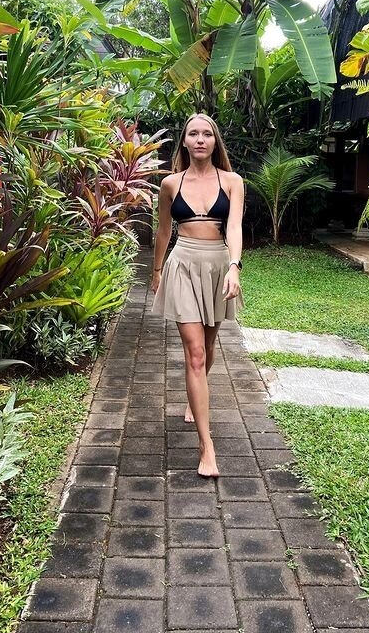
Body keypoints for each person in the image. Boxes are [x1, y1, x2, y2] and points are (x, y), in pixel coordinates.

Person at [150, 112, 244, 478]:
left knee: (208, 345)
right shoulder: (170, 184)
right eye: (193, 133)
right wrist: (157, 271)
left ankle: (195, 397)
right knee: (195, 353)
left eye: (207, 133)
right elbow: (163, 231)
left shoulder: (233, 181)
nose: (200, 139)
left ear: (215, 141)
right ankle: (207, 448)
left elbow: (233, 227)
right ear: (185, 141)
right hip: (183, 265)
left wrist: (234, 265)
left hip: (218, 265)